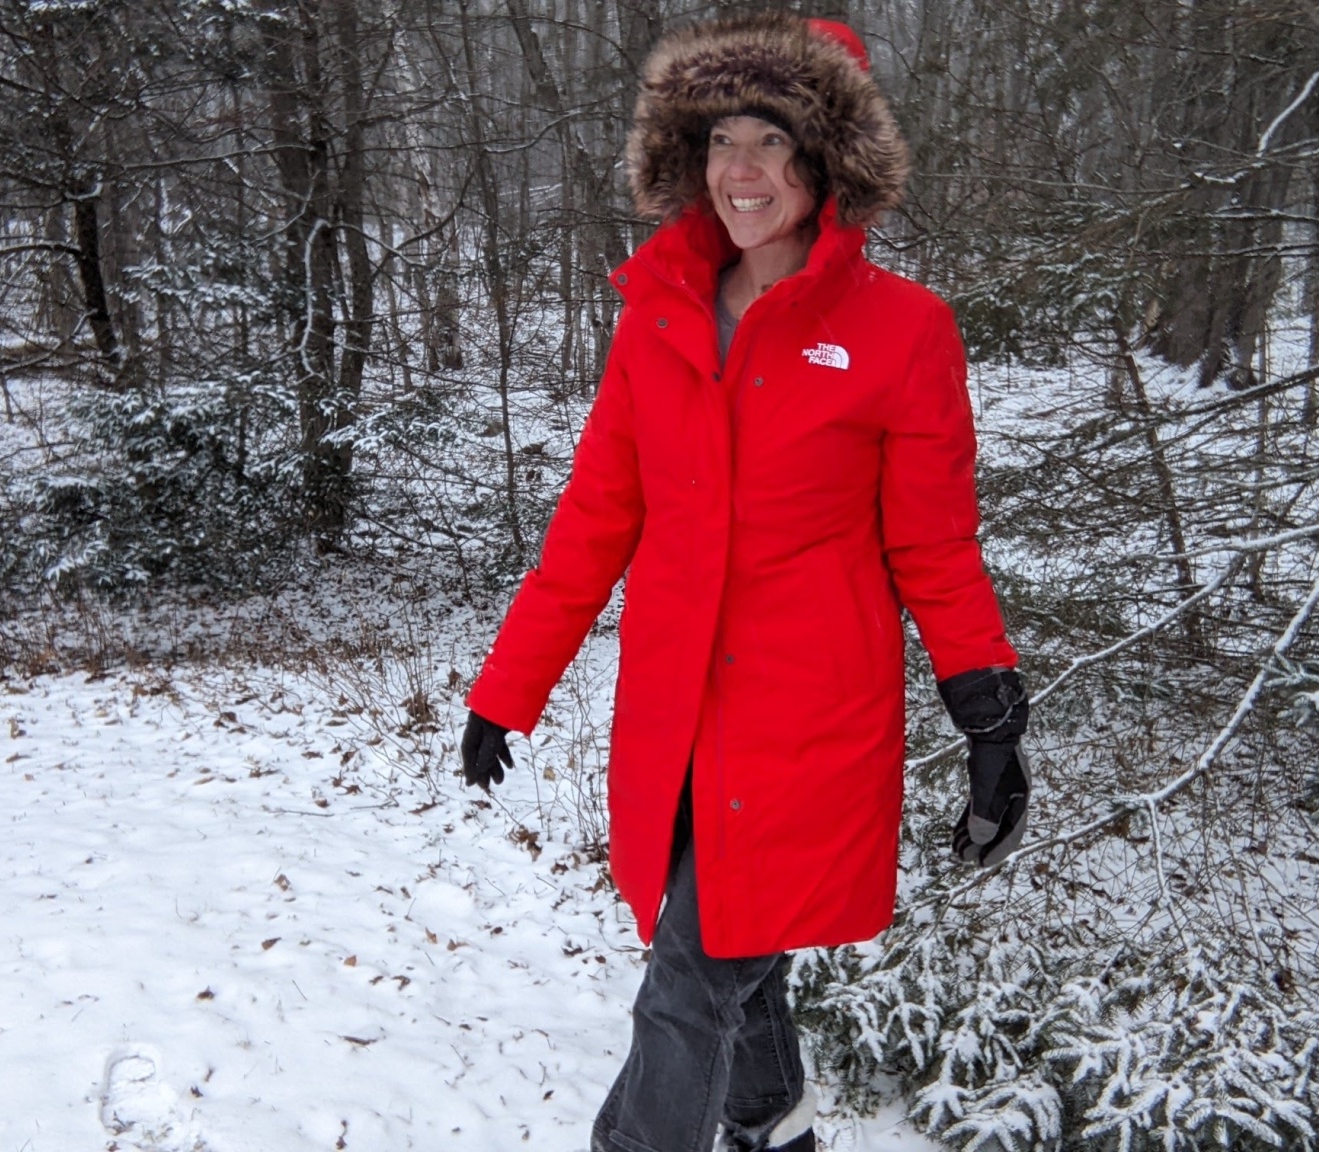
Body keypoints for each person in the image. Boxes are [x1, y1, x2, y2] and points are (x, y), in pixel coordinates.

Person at [457, 13, 1032, 1152]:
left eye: (771, 139)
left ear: (827, 162)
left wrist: (989, 715)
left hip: (807, 727)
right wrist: (506, 690)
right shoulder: (655, 322)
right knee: (723, 951)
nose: (742, 169)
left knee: (687, 989)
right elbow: (592, 525)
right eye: (721, 139)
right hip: (674, 718)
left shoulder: (903, 332)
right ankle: (777, 1128)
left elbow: (934, 547)